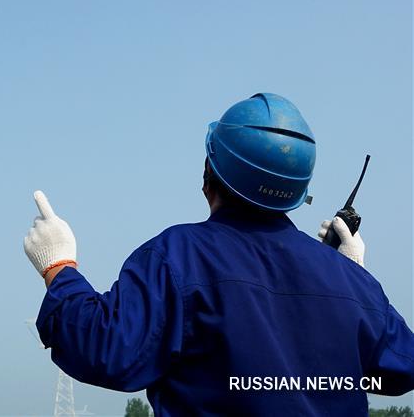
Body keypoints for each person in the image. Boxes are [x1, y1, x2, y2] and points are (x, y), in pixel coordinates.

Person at [23, 92, 414, 416]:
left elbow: (106, 350)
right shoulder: (350, 282)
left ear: (210, 174)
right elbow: (400, 371)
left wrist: (59, 267)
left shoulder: (177, 258)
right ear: (298, 190)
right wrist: (354, 277)